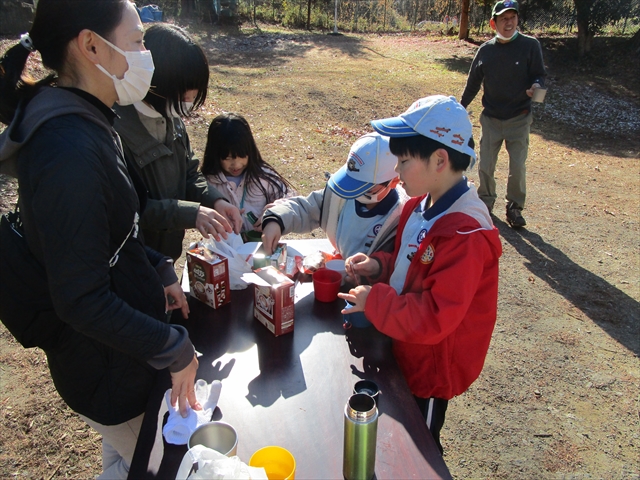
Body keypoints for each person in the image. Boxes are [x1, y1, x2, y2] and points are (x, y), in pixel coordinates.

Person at [0, 1, 201, 478]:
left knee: (120, 456)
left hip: (119, 355)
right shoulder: (68, 150)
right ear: (91, 46)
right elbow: (81, 298)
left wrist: (156, 267)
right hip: (108, 368)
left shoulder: (90, 117)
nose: (145, 54)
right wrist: (172, 347)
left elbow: (114, 232)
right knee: (154, 464)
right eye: (135, 41)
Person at [338, 96, 502, 453]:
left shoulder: (465, 234)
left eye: (404, 161)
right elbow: (406, 259)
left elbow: (434, 317)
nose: (396, 172)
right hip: (401, 345)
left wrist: (374, 300)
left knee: (419, 449)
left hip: (428, 367)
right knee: (393, 438)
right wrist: (379, 266)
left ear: (440, 160)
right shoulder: (419, 205)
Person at [113, 23, 242, 261]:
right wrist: (192, 214)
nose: (187, 105)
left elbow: (190, 175)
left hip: (165, 256)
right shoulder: (115, 128)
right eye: (183, 97)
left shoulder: (172, 120)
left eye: (193, 98)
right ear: (157, 83)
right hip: (133, 259)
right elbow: (129, 209)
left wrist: (216, 200)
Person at [460, 0, 546, 228]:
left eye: (512, 18)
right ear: (493, 23)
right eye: (503, 19)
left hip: (519, 117)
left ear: (518, 19)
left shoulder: (530, 46)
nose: (509, 23)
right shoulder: (486, 51)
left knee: (517, 166)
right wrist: (460, 108)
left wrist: (536, 87)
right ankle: (485, 203)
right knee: (485, 165)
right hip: (491, 118)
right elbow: (472, 84)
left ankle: (514, 208)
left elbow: (539, 75)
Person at [261, 132, 408, 258]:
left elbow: (394, 267)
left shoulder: (401, 219)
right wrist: (276, 220)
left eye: (365, 187)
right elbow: (307, 208)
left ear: (394, 181)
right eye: (352, 183)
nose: (356, 193)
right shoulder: (340, 196)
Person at [201, 112, 295, 239]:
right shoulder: (207, 183)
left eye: (242, 156)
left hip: (260, 246)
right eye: (228, 158)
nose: (236, 165)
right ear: (215, 155)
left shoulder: (262, 176)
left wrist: (274, 214)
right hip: (223, 249)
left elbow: (291, 198)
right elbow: (197, 213)